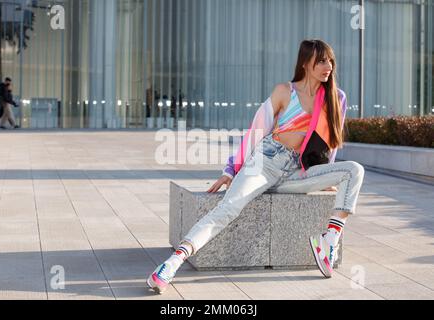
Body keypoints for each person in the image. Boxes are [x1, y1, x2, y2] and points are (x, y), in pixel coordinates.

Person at [146, 39, 365, 294]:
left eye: (330, 61)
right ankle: (172, 264)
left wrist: (326, 176)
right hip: (266, 162)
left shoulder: (336, 97)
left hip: (299, 171)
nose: (328, 66)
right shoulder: (285, 91)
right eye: (321, 61)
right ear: (305, 63)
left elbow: (330, 143)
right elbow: (256, 131)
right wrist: (231, 169)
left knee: (354, 170)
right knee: (228, 208)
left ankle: (328, 242)